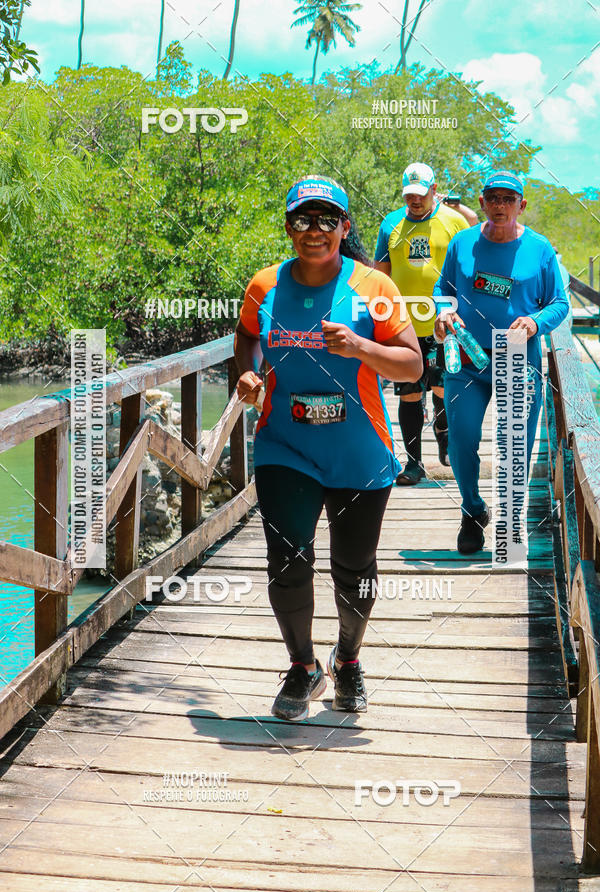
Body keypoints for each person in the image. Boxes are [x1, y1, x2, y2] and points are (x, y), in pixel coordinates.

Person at [234, 175, 421, 721]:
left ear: (343, 226)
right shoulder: (264, 286)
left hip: (358, 450)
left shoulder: (376, 290)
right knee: (287, 559)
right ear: (289, 226)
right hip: (284, 444)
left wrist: (362, 345)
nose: (312, 231)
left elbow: (413, 365)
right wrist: (246, 375)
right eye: (301, 220)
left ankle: (349, 659)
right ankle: (302, 667)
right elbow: (247, 336)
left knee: (355, 567)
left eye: (324, 220)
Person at [433, 171, 570, 554]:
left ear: (521, 205)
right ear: (481, 202)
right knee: (461, 442)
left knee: (515, 449)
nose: (499, 205)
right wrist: (444, 312)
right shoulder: (462, 244)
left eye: (508, 199)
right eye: (492, 197)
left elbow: (559, 303)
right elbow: (443, 289)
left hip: (516, 358)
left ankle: (510, 520)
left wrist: (535, 321)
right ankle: (473, 510)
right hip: (465, 356)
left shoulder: (540, 249)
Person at [374, 162, 479, 485]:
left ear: (434, 190)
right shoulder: (391, 223)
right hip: (404, 324)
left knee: (441, 387)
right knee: (409, 394)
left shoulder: (453, 221)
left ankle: (443, 432)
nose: (414, 201)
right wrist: (376, 318)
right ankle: (414, 463)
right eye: (409, 195)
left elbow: (471, 266)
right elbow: (380, 273)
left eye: (420, 194)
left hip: (444, 321)